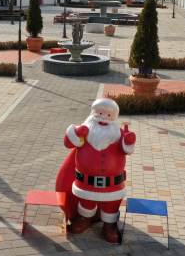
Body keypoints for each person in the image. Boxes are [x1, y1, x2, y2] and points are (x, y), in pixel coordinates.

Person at [57, 98, 136, 243]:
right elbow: (68, 143)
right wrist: (75, 132)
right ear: (93, 113)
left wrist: (129, 141)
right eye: (100, 113)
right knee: (86, 202)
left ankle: (109, 225)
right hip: (85, 182)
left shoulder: (118, 135)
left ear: (115, 117)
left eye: (109, 115)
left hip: (113, 184)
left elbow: (126, 150)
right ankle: (83, 219)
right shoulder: (84, 132)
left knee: (111, 205)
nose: (104, 118)